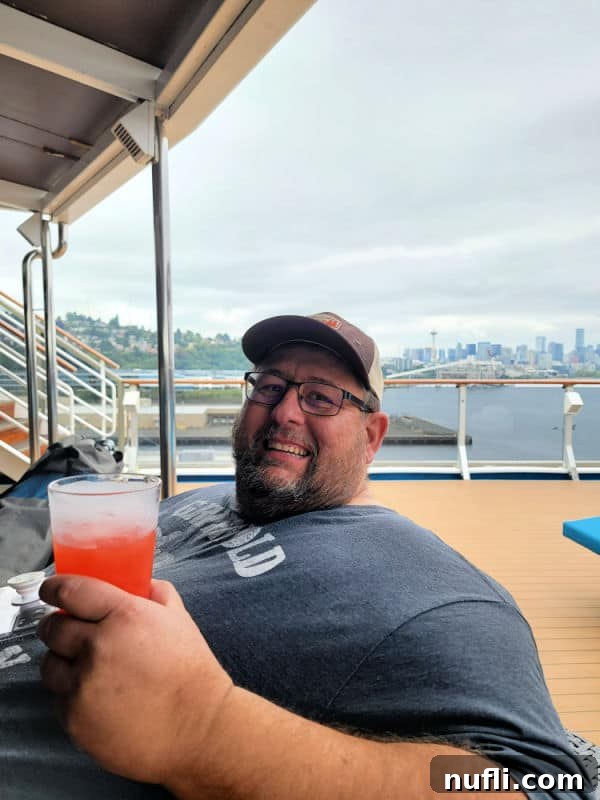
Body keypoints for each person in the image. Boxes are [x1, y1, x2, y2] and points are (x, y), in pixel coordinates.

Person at [0, 312, 591, 799]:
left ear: (374, 436)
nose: (284, 411)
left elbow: (538, 782)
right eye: (270, 386)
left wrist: (207, 730)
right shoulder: (202, 498)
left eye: (322, 398)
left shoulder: (434, 596)